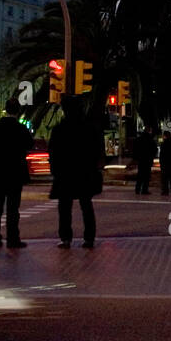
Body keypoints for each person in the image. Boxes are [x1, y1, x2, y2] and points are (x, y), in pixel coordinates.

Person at [49, 94, 103, 249]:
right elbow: (97, 150)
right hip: (85, 173)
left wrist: (55, 170)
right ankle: (89, 238)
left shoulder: (59, 130)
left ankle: (66, 238)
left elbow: (54, 152)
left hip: (65, 174)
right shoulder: (89, 128)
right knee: (86, 205)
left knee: (65, 208)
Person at [0, 97, 34, 248]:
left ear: (5, 109)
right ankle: (13, 238)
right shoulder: (21, 129)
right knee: (13, 208)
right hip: (15, 171)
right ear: (18, 111)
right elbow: (29, 145)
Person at [133, 129, 156, 195]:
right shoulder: (150, 140)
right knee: (146, 176)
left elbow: (135, 149)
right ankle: (144, 190)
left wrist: (136, 158)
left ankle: (137, 189)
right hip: (148, 160)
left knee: (140, 175)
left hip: (141, 160)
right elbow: (154, 150)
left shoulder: (138, 140)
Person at [159, 130, 171, 196]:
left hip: (165, 163)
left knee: (165, 178)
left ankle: (165, 191)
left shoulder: (163, 144)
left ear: (165, 136)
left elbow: (161, 155)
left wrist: (161, 163)